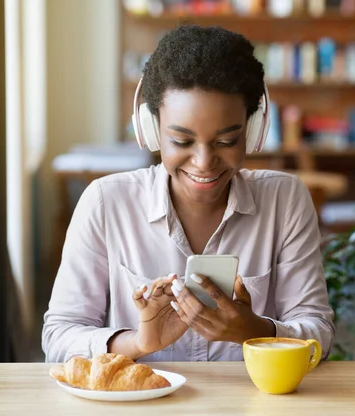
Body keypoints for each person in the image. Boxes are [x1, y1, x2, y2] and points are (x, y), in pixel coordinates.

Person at [42, 25, 335, 363]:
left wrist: (255, 331)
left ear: (253, 131)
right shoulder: (106, 203)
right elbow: (59, 338)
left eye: (226, 141)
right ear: (151, 130)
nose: (204, 162)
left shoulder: (285, 201)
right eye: (181, 141)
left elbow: (319, 335)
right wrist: (137, 343)